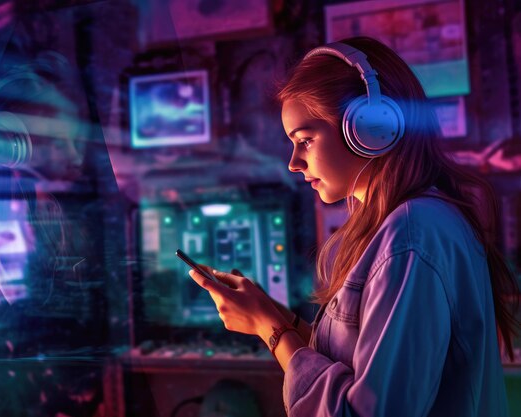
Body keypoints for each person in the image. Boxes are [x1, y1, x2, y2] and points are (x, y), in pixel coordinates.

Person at [188, 36, 519, 416]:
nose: (293, 163)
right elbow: (359, 366)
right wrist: (276, 315)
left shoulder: (411, 237)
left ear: (369, 127)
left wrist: (269, 328)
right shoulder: (402, 226)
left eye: (305, 140)